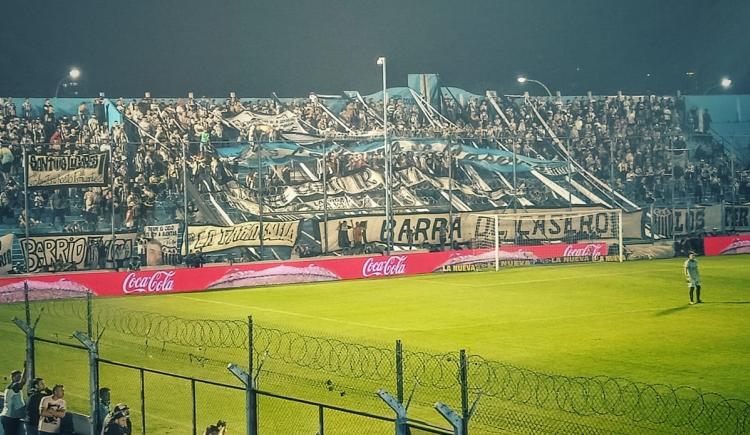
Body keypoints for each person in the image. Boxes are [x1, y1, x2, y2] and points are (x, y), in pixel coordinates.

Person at [1, 365, 27, 435]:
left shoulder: (14, 387)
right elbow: (22, 382)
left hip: (13, 417)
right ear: (12, 378)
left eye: (20, 377)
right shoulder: (13, 386)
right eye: (18, 377)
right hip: (9, 418)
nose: (19, 378)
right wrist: (26, 368)